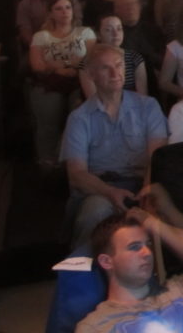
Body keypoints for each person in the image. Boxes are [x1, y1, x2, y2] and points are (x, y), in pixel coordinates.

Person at [61, 44, 167, 247]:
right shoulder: (79, 118)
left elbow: (158, 158)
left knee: (167, 211)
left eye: (118, 65)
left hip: (144, 182)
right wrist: (109, 192)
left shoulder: (148, 106)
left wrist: (146, 191)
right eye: (105, 67)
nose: (114, 73)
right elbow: (76, 174)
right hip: (101, 188)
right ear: (91, 74)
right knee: (94, 213)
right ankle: (86, 265)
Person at [29, 0, 97, 168]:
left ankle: (76, 161)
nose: (64, 12)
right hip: (51, 83)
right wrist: (62, 68)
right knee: (48, 118)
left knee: (78, 116)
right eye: (58, 9)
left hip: (80, 81)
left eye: (68, 7)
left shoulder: (85, 33)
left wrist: (57, 64)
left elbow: (90, 60)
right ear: (51, 13)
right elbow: (37, 65)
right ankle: (47, 161)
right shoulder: (42, 36)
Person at [80, 14, 148, 98]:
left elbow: (142, 97)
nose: (115, 34)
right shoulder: (88, 62)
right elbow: (93, 99)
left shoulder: (134, 57)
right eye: (108, 30)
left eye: (119, 29)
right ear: (98, 34)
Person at [115, 0, 165, 73]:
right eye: (125, 5)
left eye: (133, 4)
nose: (130, 8)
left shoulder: (155, 31)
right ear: (116, 10)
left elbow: (163, 61)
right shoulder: (115, 34)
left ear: (140, 6)